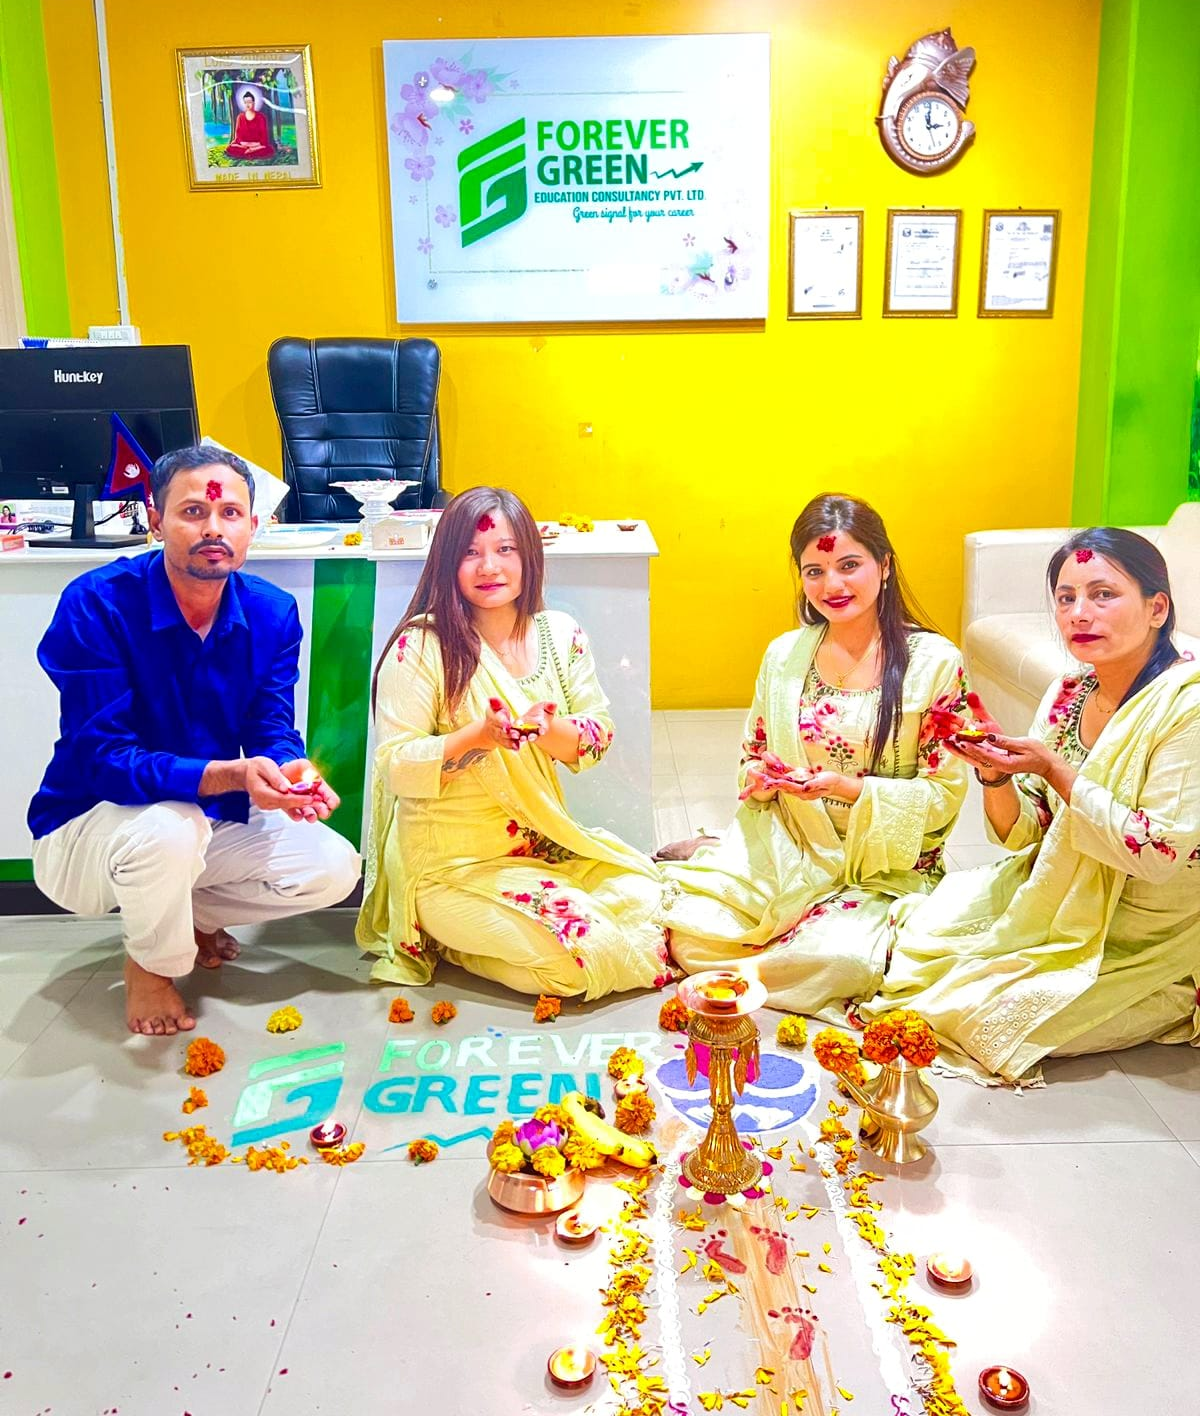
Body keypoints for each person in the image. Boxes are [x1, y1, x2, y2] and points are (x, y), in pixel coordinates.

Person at [28, 444, 360, 1037]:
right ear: (154, 520)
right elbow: (103, 759)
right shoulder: (96, 604)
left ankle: (185, 918)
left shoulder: (272, 613)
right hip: (86, 829)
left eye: (231, 513)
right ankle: (152, 967)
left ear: (254, 527)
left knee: (333, 867)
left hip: (197, 824)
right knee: (171, 825)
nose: (213, 528)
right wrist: (228, 776)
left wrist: (291, 772)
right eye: (192, 513)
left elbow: (270, 725)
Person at [870, 529, 1200, 1083]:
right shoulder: (1071, 690)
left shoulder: (1185, 708)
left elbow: (1159, 855)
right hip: (1058, 895)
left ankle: (1177, 992)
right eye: (1066, 598)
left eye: (1103, 594)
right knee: (912, 946)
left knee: (980, 1018)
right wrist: (995, 775)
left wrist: (1056, 769)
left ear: (1156, 607)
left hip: (1145, 925)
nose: (1080, 613)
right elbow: (1027, 837)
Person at [662, 493, 968, 1020]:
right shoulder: (784, 655)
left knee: (842, 959)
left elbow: (944, 796)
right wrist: (764, 778)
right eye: (815, 570)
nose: (833, 586)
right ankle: (720, 857)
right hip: (789, 845)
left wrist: (846, 788)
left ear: (885, 565)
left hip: (882, 870)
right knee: (690, 934)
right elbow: (750, 760)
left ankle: (796, 927)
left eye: (850, 565)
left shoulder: (935, 662)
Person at [356, 486, 670, 998]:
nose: (489, 567)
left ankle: (509, 932)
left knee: (649, 900)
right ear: (446, 563)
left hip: (544, 851)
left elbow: (594, 740)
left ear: (529, 557)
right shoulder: (423, 644)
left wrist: (544, 728)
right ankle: (450, 940)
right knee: (576, 962)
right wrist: (479, 735)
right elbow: (396, 766)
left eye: (506, 550)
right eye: (471, 553)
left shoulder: (558, 634)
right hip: (451, 867)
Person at [225, 89, 274, 159]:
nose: (247, 104)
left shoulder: (261, 117)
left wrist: (254, 146)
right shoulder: (240, 117)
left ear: (254, 103)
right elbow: (238, 137)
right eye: (245, 102)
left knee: (268, 149)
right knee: (230, 148)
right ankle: (249, 153)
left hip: (258, 146)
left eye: (249, 102)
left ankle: (250, 152)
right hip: (243, 145)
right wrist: (246, 145)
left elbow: (264, 139)